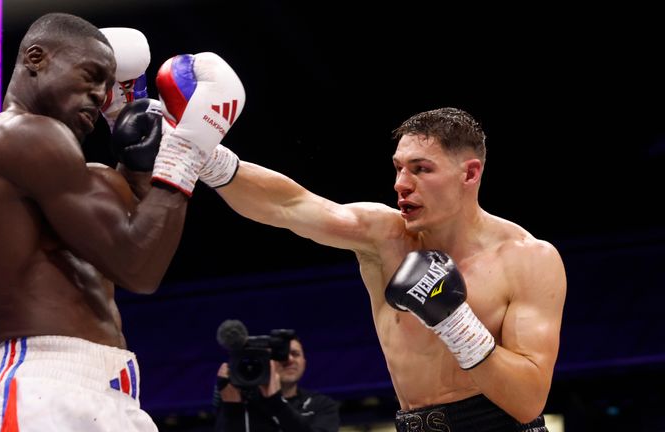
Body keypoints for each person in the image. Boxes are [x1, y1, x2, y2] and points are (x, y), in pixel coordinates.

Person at [162, 94, 567, 429]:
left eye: (421, 169)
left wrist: (454, 321)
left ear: (470, 173)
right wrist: (202, 157)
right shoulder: (385, 236)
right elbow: (288, 206)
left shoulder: (528, 259)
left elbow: (529, 400)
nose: (401, 184)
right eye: (398, 168)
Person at [0, 13, 244, 432]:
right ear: (36, 58)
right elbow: (138, 268)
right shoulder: (16, 134)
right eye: (90, 76)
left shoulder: (71, 172)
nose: (99, 94)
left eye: (108, 88)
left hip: (108, 388)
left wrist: (139, 161)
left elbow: (146, 236)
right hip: (44, 386)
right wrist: (188, 148)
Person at [214, 336, 340, 432]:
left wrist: (275, 402)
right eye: (281, 355)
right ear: (265, 362)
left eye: (295, 354)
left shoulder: (322, 405)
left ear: (304, 362)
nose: (289, 360)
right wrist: (232, 407)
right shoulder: (244, 402)